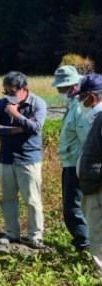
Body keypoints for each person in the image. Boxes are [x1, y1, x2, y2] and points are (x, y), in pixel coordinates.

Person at [0, 71, 47, 249]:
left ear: (24, 89)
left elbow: (36, 128)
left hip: (29, 158)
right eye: (6, 92)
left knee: (32, 200)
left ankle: (35, 236)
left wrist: (16, 115)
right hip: (6, 157)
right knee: (8, 198)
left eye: (12, 92)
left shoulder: (38, 103)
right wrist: (16, 129)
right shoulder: (1, 104)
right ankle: (12, 233)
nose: (9, 96)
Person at [52, 65, 89, 252]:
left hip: (77, 164)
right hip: (71, 163)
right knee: (76, 207)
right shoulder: (74, 104)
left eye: (61, 88)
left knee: (73, 208)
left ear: (72, 86)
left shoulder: (80, 108)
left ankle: (84, 246)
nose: (59, 92)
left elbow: (86, 141)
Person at [75, 74, 102, 271]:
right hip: (93, 188)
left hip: (99, 191)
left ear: (91, 98)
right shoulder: (97, 118)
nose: (79, 102)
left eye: (80, 98)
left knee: (99, 240)